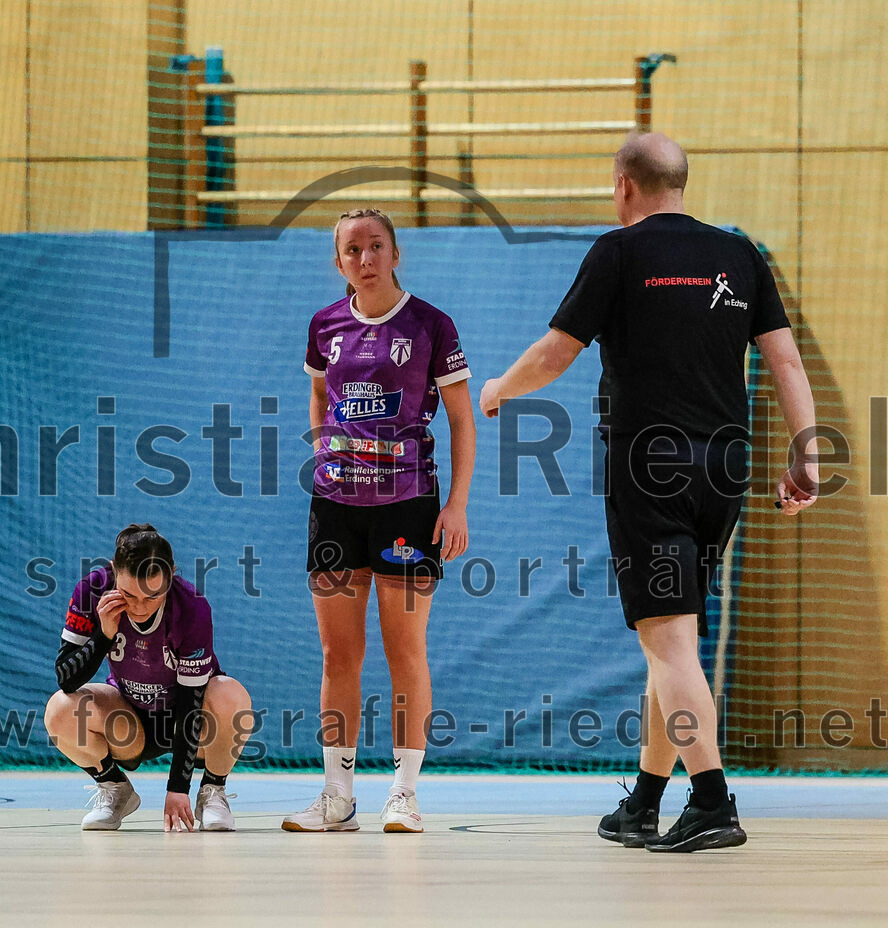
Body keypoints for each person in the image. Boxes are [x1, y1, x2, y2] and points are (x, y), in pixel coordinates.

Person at [479, 133, 819, 852]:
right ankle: (644, 803)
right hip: (725, 466)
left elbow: (557, 351)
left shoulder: (619, 252)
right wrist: (807, 454)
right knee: (676, 643)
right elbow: (783, 358)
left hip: (651, 467)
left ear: (623, 186)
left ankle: (714, 801)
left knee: (667, 644)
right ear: (681, 184)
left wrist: (500, 389)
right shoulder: (738, 255)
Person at [282, 207, 476, 834]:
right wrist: (321, 443)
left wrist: (456, 505)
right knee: (339, 656)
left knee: (405, 653)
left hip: (408, 506)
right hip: (336, 509)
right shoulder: (325, 326)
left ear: (396, 255)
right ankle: (337, 797)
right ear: (338, 261)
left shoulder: (430, 325)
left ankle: (404, 794)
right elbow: (319, 392)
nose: (364, 260)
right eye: (351, 250)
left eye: (375, 247)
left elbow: (462, 421)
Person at [44, 523, 253, 832]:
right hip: (129, 721)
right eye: (129, 595)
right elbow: (66, 678)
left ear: (171, 575)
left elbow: (191, 701)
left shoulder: (191, 608)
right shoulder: (92, 590)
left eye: (152, 596)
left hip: (192, 724)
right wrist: (103, 636)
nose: (140, 607)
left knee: (230, 695)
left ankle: (213, 790)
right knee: (61, 709)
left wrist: (177, 788)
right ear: (115, 571)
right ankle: (116, 788)